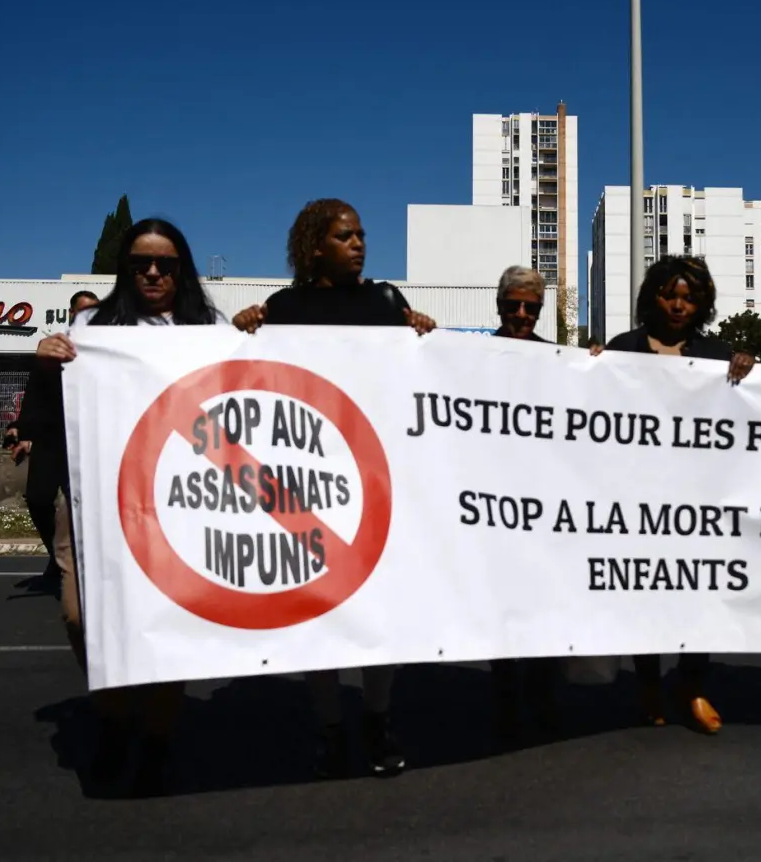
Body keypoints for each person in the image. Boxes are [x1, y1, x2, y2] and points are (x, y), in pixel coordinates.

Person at [232, 198, 435, 778]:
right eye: (346, 236)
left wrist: (421, 332)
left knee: (378, 606)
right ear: (315, 244)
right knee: (319, 608)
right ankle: (328, 725)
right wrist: (241, 332)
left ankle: (377, 717)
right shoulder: (285, 307)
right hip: (309, 476)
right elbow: (247, 376)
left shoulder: (385, 300)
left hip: (378, 471)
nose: (360, 244)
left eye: (362, 235)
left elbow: (420, 372)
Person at [34, 218, 227, 796]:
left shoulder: (208, 327)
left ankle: (156, 745)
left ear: (181, 268)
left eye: (165, 264)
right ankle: (115, 720)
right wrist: (46, 362)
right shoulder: (93, 326)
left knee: (168, 624)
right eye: (141, 262)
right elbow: (57, 404)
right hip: (96, 493)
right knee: (81, 616)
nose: (152, 272)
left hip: (181, 499)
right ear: (125, 267)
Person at [588, 255, 755, 735]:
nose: (679, 305)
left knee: (698, 593)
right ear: (652, 297)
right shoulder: (623, 349)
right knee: (645, 591)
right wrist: (590, 370)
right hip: (638, 498)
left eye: (690, 297)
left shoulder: (719, 355)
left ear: (701, 304)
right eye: (670, 294)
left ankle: (692, 683)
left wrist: (750, 371)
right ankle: (647, 684)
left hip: (700, 503)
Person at [485, 266, 561, 742]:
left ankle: (545, 700)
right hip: (493, 503)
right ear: (499, 306)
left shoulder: (556, 358)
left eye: (531, 308)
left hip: (545, 502)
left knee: (545, 603)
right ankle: (506, 704)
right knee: (500, 607)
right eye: (513, 305)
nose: (521, 314)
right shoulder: (473, 354)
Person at [8, 289, 99, 593]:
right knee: (37, 499)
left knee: (85, 509)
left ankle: (80, 566)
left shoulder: (105, 349)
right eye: (82, 311)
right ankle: (57, 555)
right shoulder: (53, 348)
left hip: (88, 442)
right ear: (71, 313)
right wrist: (22, 432)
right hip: (52, 440)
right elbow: (35, 395)